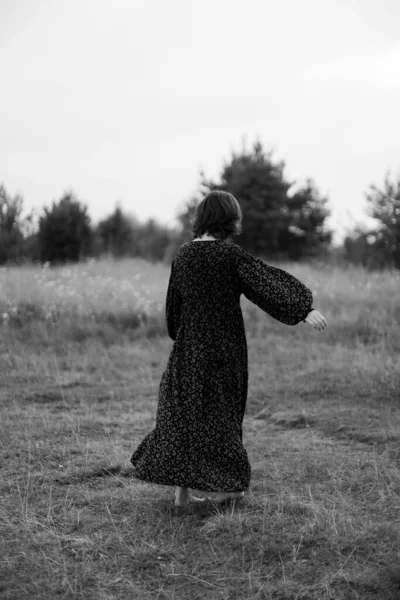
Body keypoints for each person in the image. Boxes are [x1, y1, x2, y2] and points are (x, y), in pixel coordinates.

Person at [130, 191, 328, 507]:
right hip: (225, 351)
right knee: (223, 415)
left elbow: (173, 310)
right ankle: (231, 489)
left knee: (185, 415)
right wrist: (303, 309)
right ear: (227, 219)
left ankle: (182, 494)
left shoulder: (182, 256)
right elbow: (266, 284)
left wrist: (182, 336)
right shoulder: (229, 256)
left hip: (189, 349)